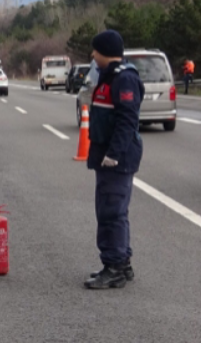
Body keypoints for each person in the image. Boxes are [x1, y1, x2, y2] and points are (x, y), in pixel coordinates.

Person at [84, 30, 145, 290]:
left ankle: (115, 267)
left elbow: (127, 120)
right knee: (112, 210)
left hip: (117, 158)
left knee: (112, 212)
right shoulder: (107, 76)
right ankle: (122, 262)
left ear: (104, 51)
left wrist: (113, 154)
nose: (92, 55)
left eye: (95, 51)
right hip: (106, 155)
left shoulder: (124, 79)